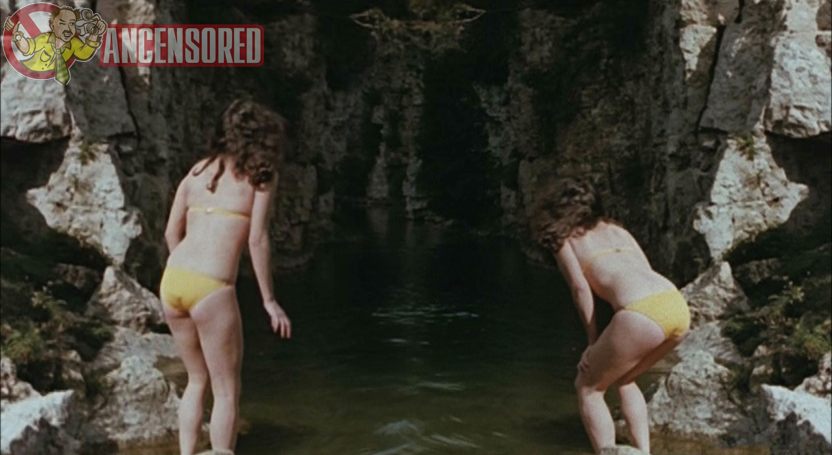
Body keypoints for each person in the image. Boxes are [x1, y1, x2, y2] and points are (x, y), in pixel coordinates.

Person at [160, 100, 292, 455]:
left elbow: (171, 233)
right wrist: (269, 301)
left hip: (173, 279)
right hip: (211, 286)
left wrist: (186, 270)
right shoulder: (261, 177)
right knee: (226, 390)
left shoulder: (197, 172)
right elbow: (257, 239)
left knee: (196, 379)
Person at [532, 178, 690, 454]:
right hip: (676, 305)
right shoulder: (618, 230)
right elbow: (644, 270)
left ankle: (606, 451)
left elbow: (580, 289)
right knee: (625, 378)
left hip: (642, 312)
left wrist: (592, 342)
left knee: (588, 387)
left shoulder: (564, 239)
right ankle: (643, 451)